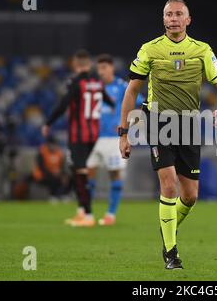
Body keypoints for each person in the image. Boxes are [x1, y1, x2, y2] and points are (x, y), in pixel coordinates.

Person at [118, 0, 217, 269]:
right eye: (169, 14)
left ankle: (167, 226)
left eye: (178, 14)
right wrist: (124, 133)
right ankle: (171, 253)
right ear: (163, 19)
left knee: (190, 196)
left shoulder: (202, 51)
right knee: (168, 184)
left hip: (189, 124)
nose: (173, 19)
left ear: (188, 20)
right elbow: (131, 91)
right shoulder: (150, 49)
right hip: (158, 120)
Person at [41, 50, 115, 227]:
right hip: (93, 134)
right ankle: (82, 211)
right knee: (76, 170)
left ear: (76, 65)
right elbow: (108, 100)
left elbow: (63, 104)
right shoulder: (97, 82)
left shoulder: (76, 82)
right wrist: (112, 107)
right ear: (88, 64)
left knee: (80, 172)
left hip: (78, 135)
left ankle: (88, 215)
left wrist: (48, 123)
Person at [86, 54, 144, 226]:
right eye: (99, 68)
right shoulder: (94, 88)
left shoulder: (121, 87)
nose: (101, 72)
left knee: (114, 175)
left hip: (113, 139)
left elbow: (139, 105)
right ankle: (87, 214)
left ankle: (111, 214)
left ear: (111, 68)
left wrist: (128, 125)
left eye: (104, 68)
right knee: (87, 175)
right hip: (94, 138)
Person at [32, 135, 71, 201]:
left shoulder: (59, 153)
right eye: (51, 144)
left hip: (56, 174)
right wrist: (53, 173)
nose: (53, 146)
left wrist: (62, 173)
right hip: (42, 175)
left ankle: (65, 195)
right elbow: (41, 167)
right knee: (53, 178)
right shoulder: (42, 152)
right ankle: (53, 196)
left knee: (68, 177)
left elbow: (62, 166)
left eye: (54, 144)